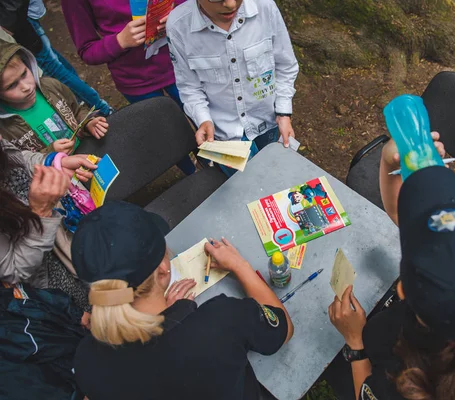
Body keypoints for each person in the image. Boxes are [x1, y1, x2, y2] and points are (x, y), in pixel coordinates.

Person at [326, 137, 455, 400]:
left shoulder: (403, 381)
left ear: (402, 289)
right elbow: (403, 216)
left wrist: (355, 343)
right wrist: (389, 162)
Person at [71, 201, 294, 400]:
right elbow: (283, 329)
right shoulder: (220, 322)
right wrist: (239, 265)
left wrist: (163, 318)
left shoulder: (85, 358)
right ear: (162, 270)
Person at [61, 0, 196, 175]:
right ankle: (192, 174)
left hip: (182, 61)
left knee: (205, 118)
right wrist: (120, 41)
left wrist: (179, 15)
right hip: (136, 80)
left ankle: (221, 169)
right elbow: (87, 50)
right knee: (166, 134)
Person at [166, 0, 299, 175]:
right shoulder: (178, 25)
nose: (230, 4)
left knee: (275, 174)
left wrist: (283, 112)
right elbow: (189, 87)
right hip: (224, 135)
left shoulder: (265, 7)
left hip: (268, 120)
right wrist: (203, 120)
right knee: (247, 189)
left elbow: (286, 65)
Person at [0, 136, 98, 312]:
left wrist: (52, 162)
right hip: (49, 279)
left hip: (63, 236)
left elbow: (17, 160)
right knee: (95, 314)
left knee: (108, 286)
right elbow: (13, 269)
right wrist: (41, 212)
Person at [0, 40, 108, 154]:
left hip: (90, 152)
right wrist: (51, 153)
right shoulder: (4, 129)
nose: (26, 87)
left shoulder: (50, 86)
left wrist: (88, 123)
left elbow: (77, 110)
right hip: (62, 171)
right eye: (12, 85)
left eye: (24, 74)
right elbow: (18, 165)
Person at [26, 0, 112, 116]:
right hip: (22, 21)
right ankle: (89, 104)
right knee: (55, 64)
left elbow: (88, 51)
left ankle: (101, 109)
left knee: (53, 68)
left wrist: (8, 22)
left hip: (19, 24)